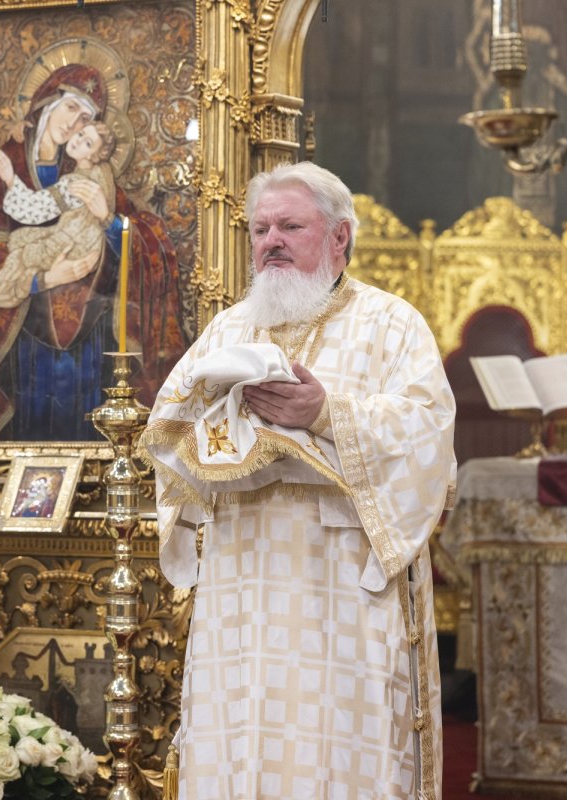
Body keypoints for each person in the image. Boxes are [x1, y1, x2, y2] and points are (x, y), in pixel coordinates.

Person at [140, 162, 456, 799]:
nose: (270, 242)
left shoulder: (392, 324)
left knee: (338, 753)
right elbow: (169, 429)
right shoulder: (230, 329)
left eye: (289, 225)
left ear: (339, 237)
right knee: (241, 736)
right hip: (244, 582)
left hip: (341, 582)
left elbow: (430, 433)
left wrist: (326, 414)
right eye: (260, 229)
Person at [0, 62, 187, 441]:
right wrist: (43, 279)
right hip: (23, 333)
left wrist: (109, 221)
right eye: (71, 108)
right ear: (47, 103)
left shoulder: (86, 171)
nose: (74, 125)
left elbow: (141, 234)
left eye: (85, 118)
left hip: (88, 332)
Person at [0, 122, 117, 324]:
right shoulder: (103, 172)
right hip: (86, 241)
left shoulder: (73, 184)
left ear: (92, 156)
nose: (77, 141)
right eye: (79, 133)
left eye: (87, 143)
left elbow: (34, 210)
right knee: (18, 238)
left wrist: (10, 180)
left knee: (19, 256)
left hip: (73, 245)